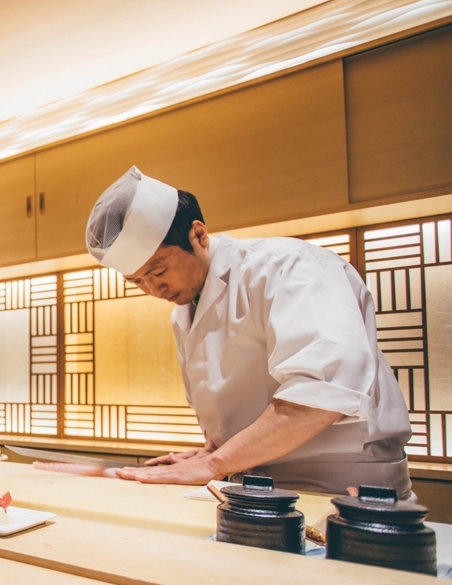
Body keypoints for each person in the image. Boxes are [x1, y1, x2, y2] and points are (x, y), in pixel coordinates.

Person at [82, 166, 412, 496]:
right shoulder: (183, 312)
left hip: (343, 485)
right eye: (137, 281)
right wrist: (215, 451)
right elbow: (234, 405)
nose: (154, 290)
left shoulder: (285, 265)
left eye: (159, 270)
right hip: (253, 482)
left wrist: (215, 464)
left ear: (198, 235)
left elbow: (322, 393)